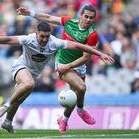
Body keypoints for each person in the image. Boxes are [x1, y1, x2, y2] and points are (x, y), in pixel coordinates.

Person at [0, 21, 114, 133]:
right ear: (37, 33)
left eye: (47, 36)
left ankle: (8, 122)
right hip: (20, 68)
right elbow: (9, 39)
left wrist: (99, 54)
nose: (44, 39)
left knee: (19, 99)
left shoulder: (54, 42)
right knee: (29, 84)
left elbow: (78, 45)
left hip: (33, 74)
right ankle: (6, 104)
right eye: (42, 36)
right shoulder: (29, 39)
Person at [17, 5, 111, 133]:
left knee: (74, 95)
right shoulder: (69, 22)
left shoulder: (92, 35)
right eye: (86, 16)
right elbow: (48, 17)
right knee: (82, 87)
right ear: (80, 15)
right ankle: (81, 110)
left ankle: (64, 120)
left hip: (78, 65)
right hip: (62, 62)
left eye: (91, 18)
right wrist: (30, 13)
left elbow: (85, 58)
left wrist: (70, 66)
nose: (88, 20)